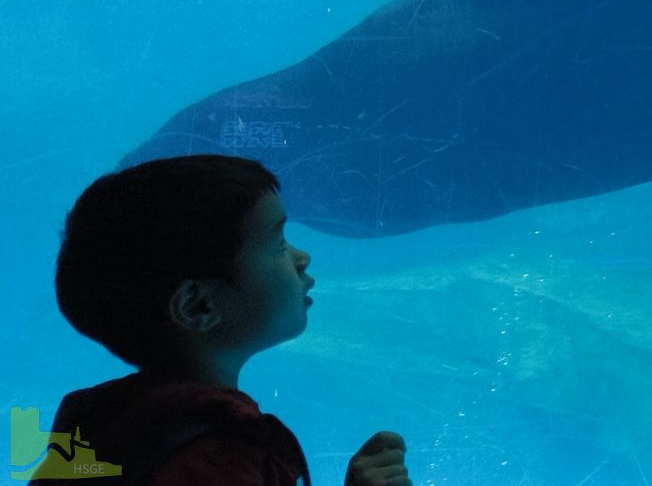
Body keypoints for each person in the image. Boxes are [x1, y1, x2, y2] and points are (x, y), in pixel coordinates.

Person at [39, 155, 410, 485]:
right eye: (278, 244)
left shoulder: (110, 426)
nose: (302, 257)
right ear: (199, 305)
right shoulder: (214, 458)